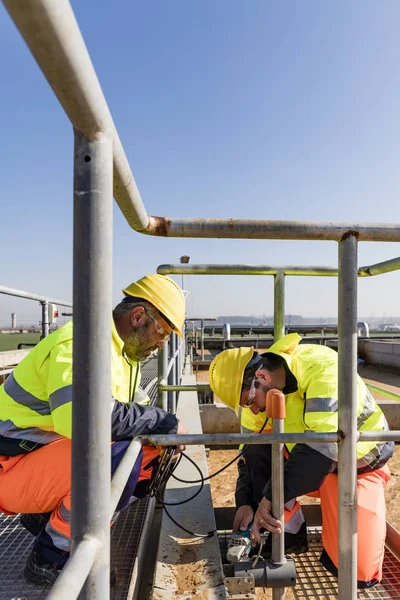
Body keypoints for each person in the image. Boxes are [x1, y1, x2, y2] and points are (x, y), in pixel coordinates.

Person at [0, 274, 188, 585]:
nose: (161, 344)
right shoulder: (80, 345)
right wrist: (164, 422)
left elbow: (138, 406)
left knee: (151, 452)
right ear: (138, 316)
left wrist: (166, 428)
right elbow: (82, 420)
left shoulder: (121, 353)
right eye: (162, 333)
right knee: (119, 459)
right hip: (10, 467)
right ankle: (52, 556)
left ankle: (47, 517)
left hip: (36, 458)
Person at [209, 333, 394, 588]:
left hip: (357, 467)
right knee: (257, 449)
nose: (251, 410)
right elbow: (249, 456)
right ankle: (288, 535)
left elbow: (320, 453)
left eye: (249, 402)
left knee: (356, 569)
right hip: (310, 463)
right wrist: (246, 502)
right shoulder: (261, 396)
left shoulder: (323, 370)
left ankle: (284, 518)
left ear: (261, 378)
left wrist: (271, 497)